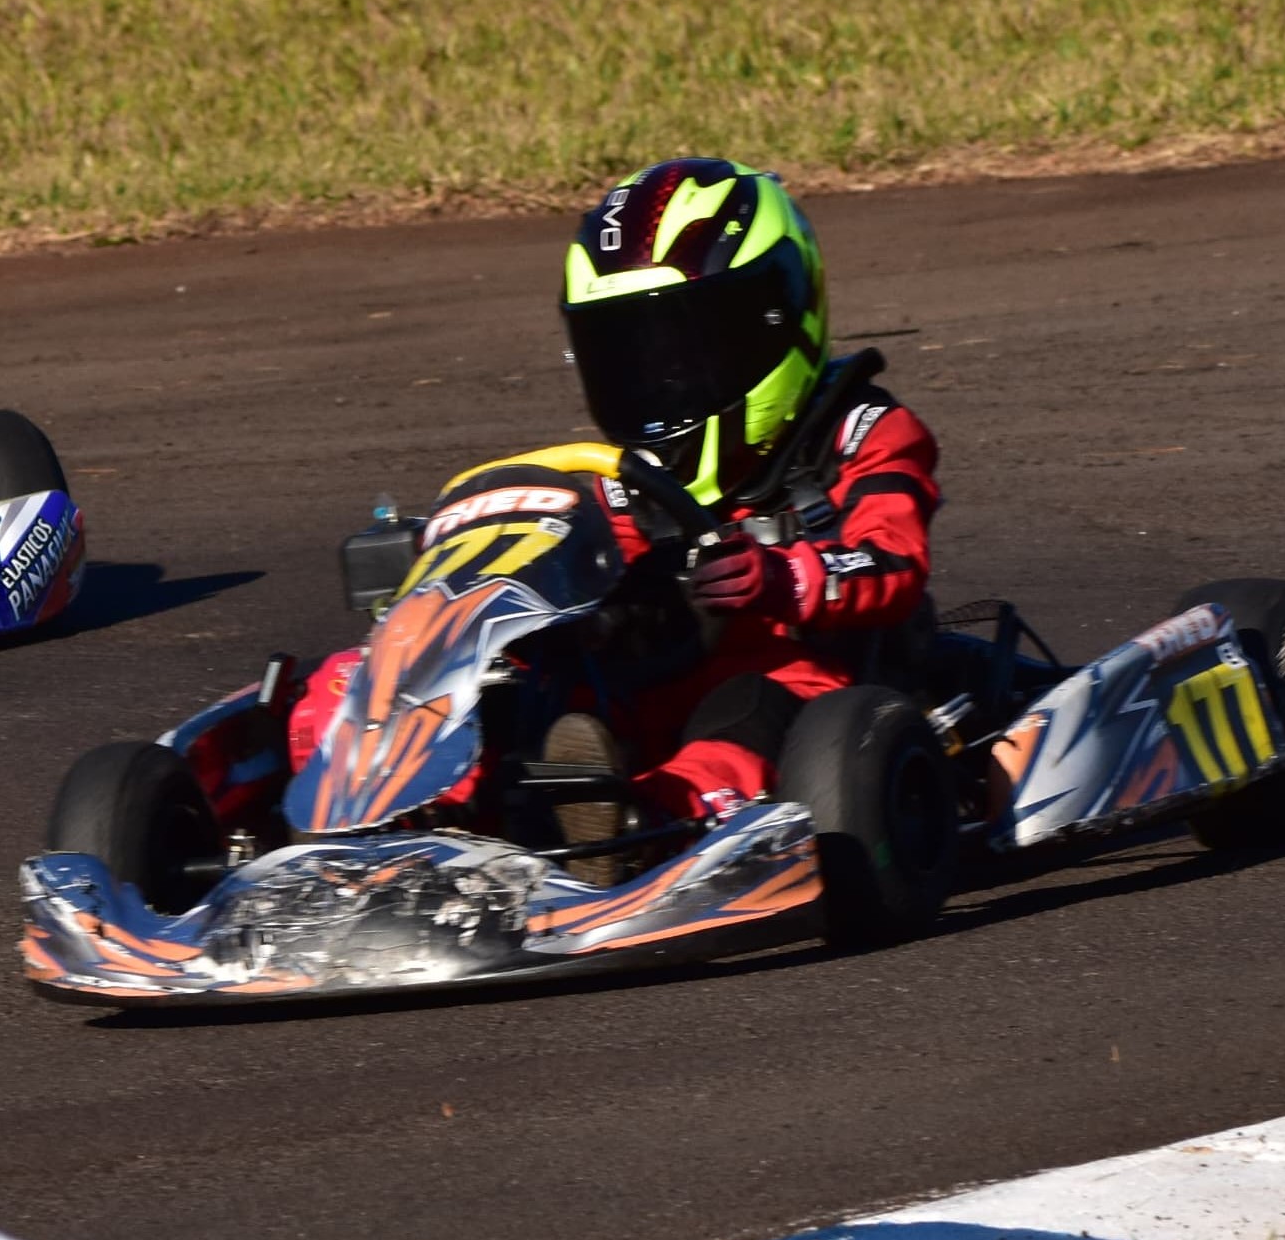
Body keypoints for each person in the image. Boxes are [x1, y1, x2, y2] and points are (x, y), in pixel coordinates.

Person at [288, 155, 944, 857]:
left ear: (776, 320)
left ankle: (637, 824)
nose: (661, 382)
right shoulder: (618, 476)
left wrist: (785, 576)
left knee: (745, 709)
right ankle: (386, 814)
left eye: (686, 352)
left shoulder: (862, 430)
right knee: (392, 673)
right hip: (636, 688)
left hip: (799, 672)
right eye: (630, 357)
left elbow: (893, 557)